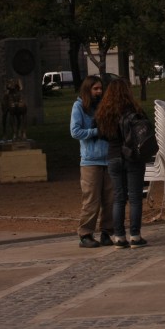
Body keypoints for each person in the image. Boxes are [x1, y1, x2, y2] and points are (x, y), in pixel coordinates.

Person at [95, 78, 149, 248]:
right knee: (134, 197)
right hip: (132, 156)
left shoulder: (104, 112)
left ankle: (119, 236)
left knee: (118, 198)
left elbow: (101, 134)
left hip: (113, 156)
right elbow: (146, 130)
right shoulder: (134, 110)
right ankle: (135, 235)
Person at [70, 75, 113, 248]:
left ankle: (106, 232)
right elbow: (75, 131)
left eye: (100, 89)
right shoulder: (79, 106)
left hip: (108, 159)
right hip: (90, 160)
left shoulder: (104, 106)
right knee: (91, 199)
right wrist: (96, 132)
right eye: (95, 89)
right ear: (88, 90)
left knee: (110, 199)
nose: (99, 92)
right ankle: (86, 233)